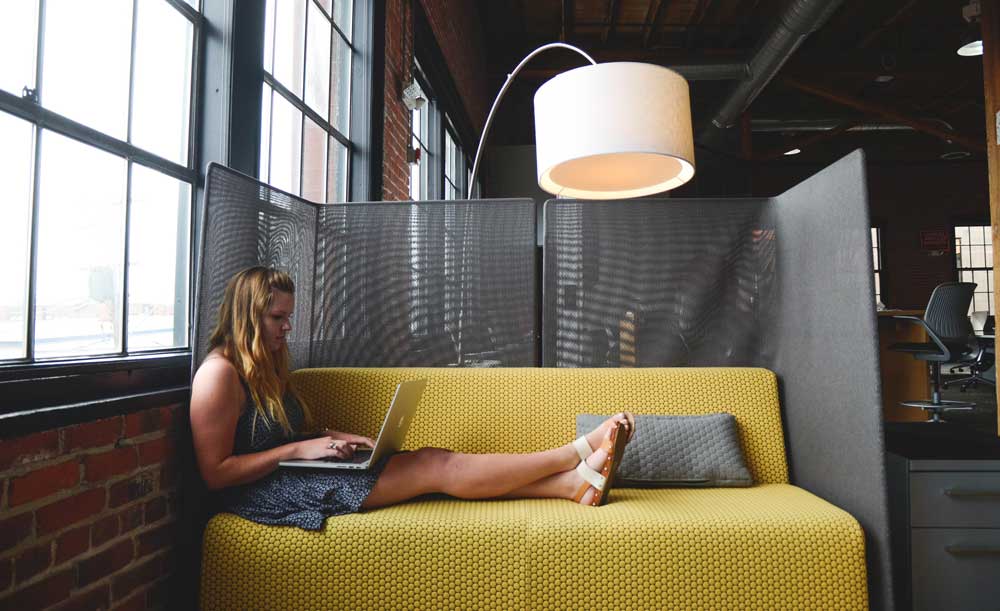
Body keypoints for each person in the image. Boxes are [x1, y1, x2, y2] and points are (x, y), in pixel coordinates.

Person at [190, 266, 634, 530]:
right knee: (435, 465)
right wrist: (296, 451)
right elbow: (216, 474)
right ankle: (571, 453)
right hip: (264, 495)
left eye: (288, 316)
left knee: (433, 462)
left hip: (292, 474)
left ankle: (570, 486)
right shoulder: (218, 376)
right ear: (248, 316)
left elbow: (277, 437)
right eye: (277, 317)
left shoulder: (264, 363)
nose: (287, 327)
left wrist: (329, 439)